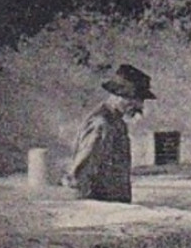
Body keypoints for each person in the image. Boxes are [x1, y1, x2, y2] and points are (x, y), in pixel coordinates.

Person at [64, 64, 154, 203]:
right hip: (102, 211)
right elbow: (80, 175)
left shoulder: (117, 122)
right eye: (136, 99)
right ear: (120, 96)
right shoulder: (102, 123)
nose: (140, 106)